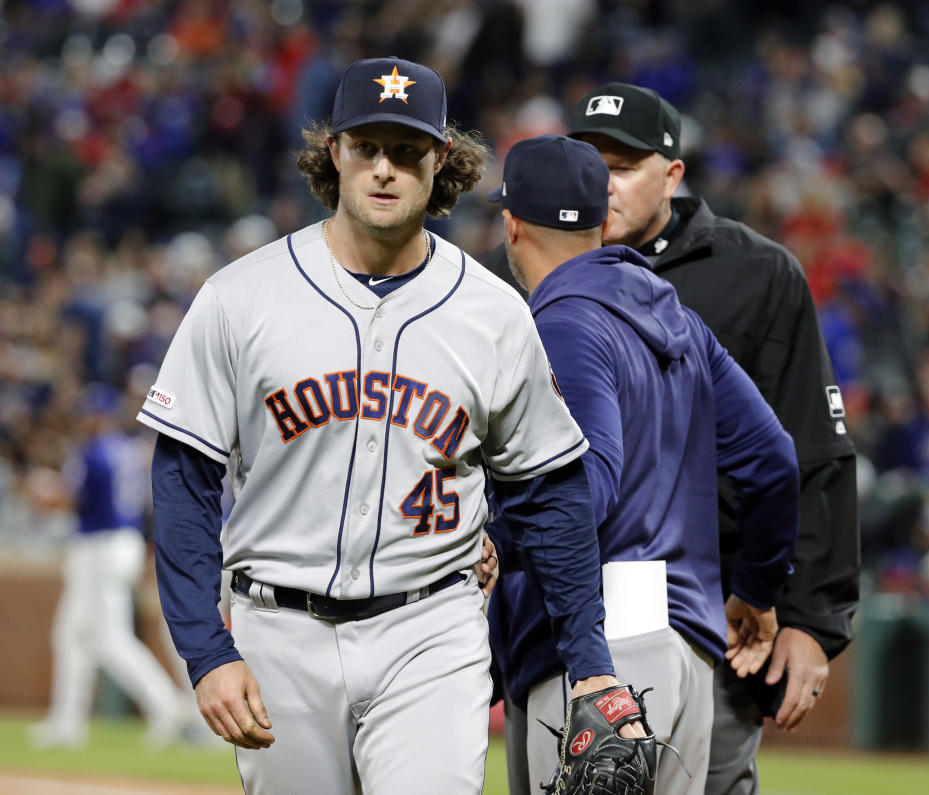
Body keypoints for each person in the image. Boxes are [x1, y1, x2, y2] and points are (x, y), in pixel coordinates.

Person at [138, 57, 640, 795]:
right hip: (279, 627)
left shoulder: (492, 313)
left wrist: (591, 660)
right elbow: (183, 480)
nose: (384, 170)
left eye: (406, 151)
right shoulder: (239, 299)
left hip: (430, 628)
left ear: (440, 162)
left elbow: (553, 491)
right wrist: (207, 651)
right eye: (366, 147)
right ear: (333, 152)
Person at [485, 134, 801, 795]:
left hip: (597, 649)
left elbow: (583, 490)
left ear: (511, 225)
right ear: (603, 219)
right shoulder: (678, 318)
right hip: (685, 641)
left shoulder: (561, 323)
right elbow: (773, 459)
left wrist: (491, 535)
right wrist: (758, 590)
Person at [567, 84, 860, 794]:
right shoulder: (535, 263)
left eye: (623, 165)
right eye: (586, 163)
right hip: (568, 606)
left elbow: (814, 450)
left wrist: (813, 621)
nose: (600, 184)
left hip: (712, 612)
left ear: (672, 174)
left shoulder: (755, 274)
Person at [29, 384, 192, 749]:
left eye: (91, 413)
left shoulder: (94, 451)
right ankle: (67, 722)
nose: (86, 418)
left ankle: (166, 703)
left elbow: (74, 500)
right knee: (72, 635)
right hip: (121, 543)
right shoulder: (129, 450)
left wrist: (42, 493)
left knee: (108, 638)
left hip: (99, 547)